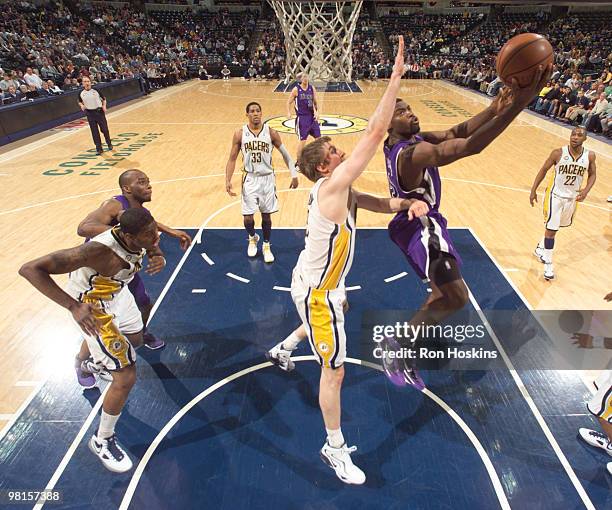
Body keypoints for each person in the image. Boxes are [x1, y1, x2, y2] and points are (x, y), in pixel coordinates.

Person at [267, 37, 428, 485]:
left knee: (338, 308)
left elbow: (375, 202)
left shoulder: (339, 191)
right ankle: (333, 447)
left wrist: (407, 205)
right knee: (333, 372)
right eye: (335, 152)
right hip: (318, 292)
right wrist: (395, 78)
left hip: (314, 281)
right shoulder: (333, 186)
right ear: (324, 168)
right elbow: (376, 133)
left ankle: (283, 347)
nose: (341, 152)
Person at [378, 64, 552, 386]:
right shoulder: (412, 153)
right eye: (402, 112)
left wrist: (492, 109)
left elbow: (453, 133)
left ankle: (405, 344)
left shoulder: (400, 143)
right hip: (423, 227)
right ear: (387, 124)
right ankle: (399, 344)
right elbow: (468, 146)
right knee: (457, 297)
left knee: (441, 292)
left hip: (412, 225)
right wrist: (518, 105)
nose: (411, 114)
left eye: (411, 108)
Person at [19, 209, 162, 473]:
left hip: (118, 293)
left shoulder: (140, 233)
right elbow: (30, 269)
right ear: (128, 237)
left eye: (155, 230)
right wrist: (73, 306)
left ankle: (90, 362)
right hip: (94, 308)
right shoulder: (97, 252)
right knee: (126, 376)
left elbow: (149, 241)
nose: (156, 236)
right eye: (149, 234)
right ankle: (102, 440)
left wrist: (156, 252)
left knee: (136, 338)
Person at [73, 169, 192, 387]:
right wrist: (119, 233)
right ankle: (81, 360)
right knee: (99, 326)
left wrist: (162, 247)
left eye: (148, 181)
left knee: (145, 303)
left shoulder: (137, 210)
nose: (149, 185)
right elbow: (83, 228)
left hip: (123, 268)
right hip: (99, 277)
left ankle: (141, 332)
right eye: (142, 182)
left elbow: (146, 226)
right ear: (127, 188)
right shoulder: (114, 205)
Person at [225, 102, 298, 262]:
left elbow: (286, 155)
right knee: (248, 218)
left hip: (267, 179)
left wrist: (294, 174)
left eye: (258, 110)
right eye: (252, 111)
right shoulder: (240, 134)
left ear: (261, 113)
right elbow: (232, 158)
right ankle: (252, 237)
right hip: (249, 178)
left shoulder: (271, 133)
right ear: (247, 114)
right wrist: (228, 180)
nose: (256, 113)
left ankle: (266, 245)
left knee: (266, 216)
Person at [530, 127, 597, 280]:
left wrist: (586, 190)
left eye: (579, 135)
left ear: (585, 138)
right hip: (555, 196)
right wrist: (533, 190)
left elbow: (593, 175)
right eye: (573, 134)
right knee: (552, 230)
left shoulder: (590, 156)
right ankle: (548, 264)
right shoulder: (558, 153)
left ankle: (540, 248)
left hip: (572, 198)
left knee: (555, 226)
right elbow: (543, 170)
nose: (575, 137)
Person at [286, 73, 321, 163]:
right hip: (302, 118)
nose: (305, 79)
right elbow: (288, 102)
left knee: (319, 139)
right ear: (301, 79)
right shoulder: (296, 89)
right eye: (303, 77)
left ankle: (319, 159)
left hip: (312, 117)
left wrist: (317, 112)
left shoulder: (312, 88)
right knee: (303, 141)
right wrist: (289, 112)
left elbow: (315, 102)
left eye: (306, 77)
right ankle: (298, 162)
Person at [78, 76, 112, 155]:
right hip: (90, 113)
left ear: (90, 82)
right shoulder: (81, 93)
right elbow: (79, 101)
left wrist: (104, 106)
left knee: (105, 130)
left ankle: (109, 143)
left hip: (99, 112)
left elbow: (104, 99)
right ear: (82, 83)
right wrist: (81, 105)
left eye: (88, 81)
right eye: (85, 82)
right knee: (94, 132)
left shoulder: (96, 90)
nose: (87, 83)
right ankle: (99, 148)